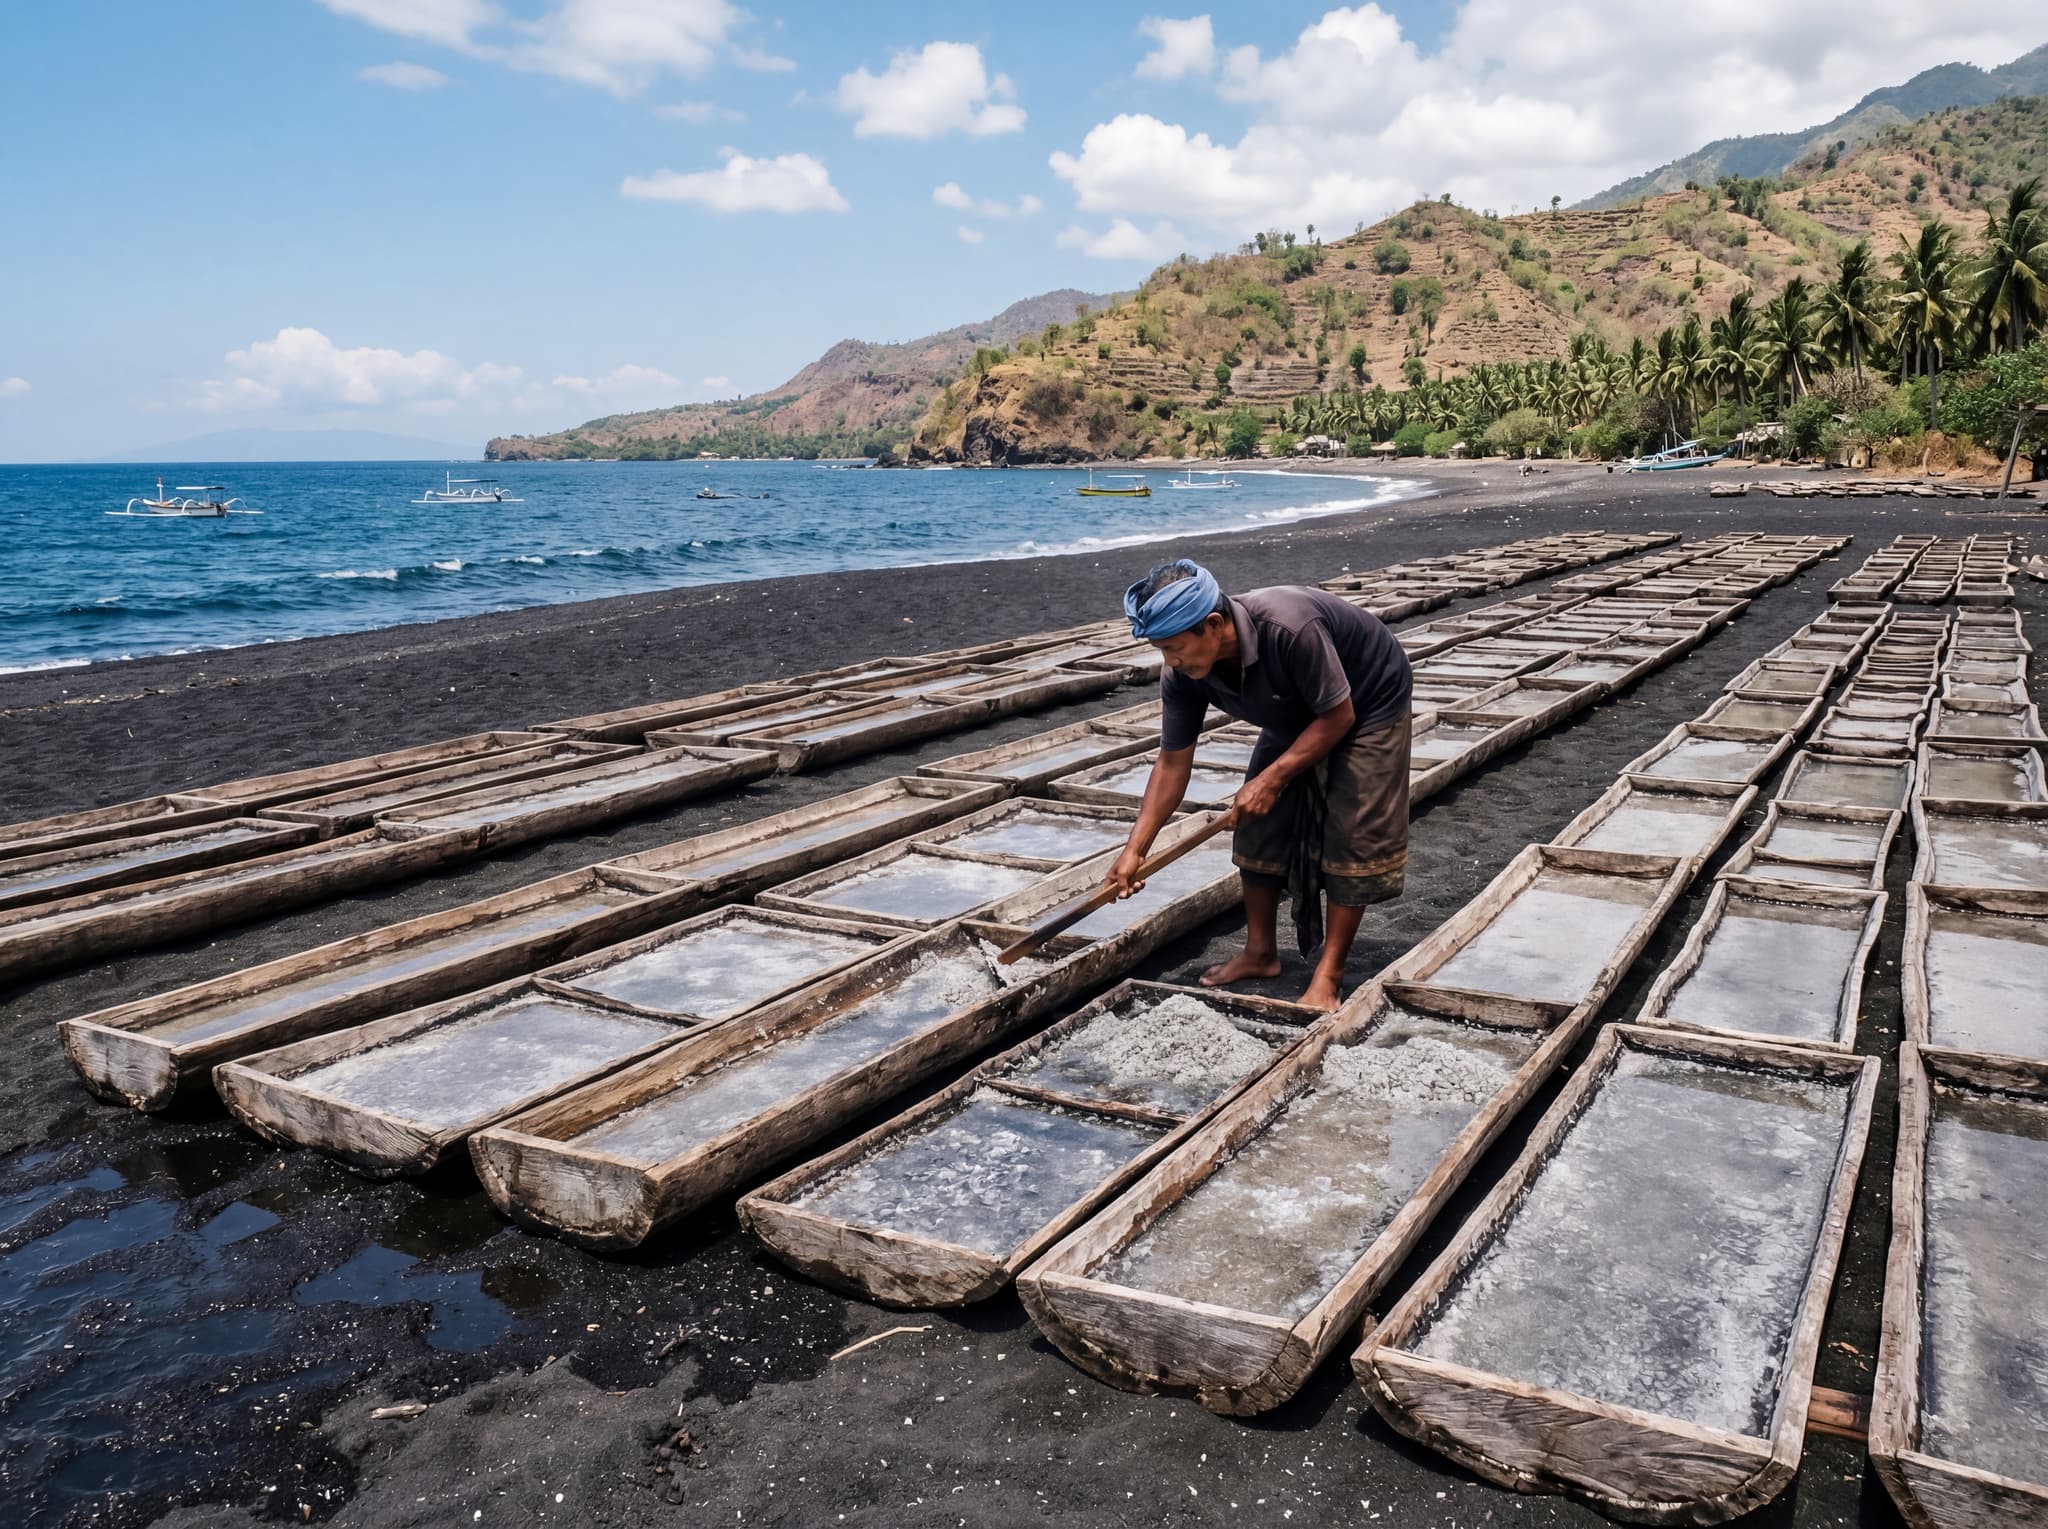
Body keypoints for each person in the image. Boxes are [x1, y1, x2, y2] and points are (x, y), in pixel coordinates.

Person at [1103, 558, 1412, 1010]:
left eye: (1174, 647)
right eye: (1160, 650)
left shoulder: (1289, 627)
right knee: (1255, 825)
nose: (1169, 662)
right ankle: (1260, 952)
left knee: (1353, 832)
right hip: (1297, 710)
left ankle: (1330, 973)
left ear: (1213, 624)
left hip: (1366, 705)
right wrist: (1136, 850)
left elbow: (1339, 716)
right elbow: (1172, 763)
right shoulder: (1183, 675)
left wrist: (1273, 778)